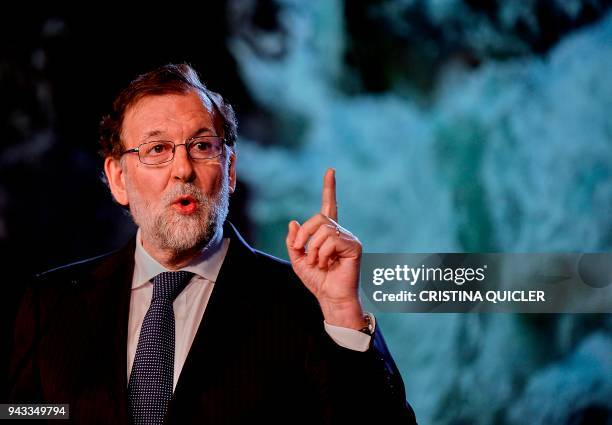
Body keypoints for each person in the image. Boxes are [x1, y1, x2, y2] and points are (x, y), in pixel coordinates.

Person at [9, 63, 417, 424]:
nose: (183, 168)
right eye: (157, 150)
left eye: (202, 146)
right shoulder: (50, 304)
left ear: (230, 169)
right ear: (118, 179)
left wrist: (344, 313)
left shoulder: (305, 303)